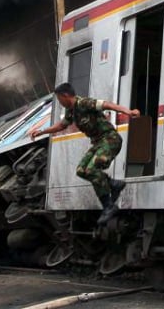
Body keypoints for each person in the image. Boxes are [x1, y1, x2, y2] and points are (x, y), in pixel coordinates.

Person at [29, 83, 140, 225]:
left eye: (59, 99)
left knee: (91, 169)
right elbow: (62, 125)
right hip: (98, 143)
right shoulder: (71, 111)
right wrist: (42, 131)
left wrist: (128, 112)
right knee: (81, 170)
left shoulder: (84, 103)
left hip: (110, 139)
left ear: (66, 96)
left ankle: (109, 205)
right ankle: (113, 184)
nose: (59, 102)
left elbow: (107, 105)